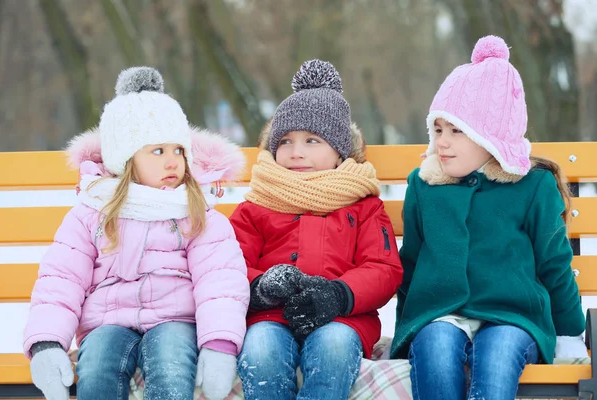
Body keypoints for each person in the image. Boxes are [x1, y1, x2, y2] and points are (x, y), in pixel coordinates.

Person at [23, 67, 249, 400]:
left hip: (176, 321)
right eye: (158, 151)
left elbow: (220, 282)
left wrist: (219, 344)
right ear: (125, 159)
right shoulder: (92, 212)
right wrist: (46, 342)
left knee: (171, 360)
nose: (172, 162)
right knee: (98, 363)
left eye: (178, 150)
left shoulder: (196, 212)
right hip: (107, 322)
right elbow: (61, 279)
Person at [389, 35, 588, 400]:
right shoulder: (426, 185)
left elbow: (554, 264)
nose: (442, 142)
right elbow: (412, 263)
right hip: (440, 316)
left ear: (491, 136)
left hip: (513, 316)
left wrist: (569, 334)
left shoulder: (532, 187)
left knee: (496, 358)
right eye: (438, 130)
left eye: (456, 131)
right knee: (434, 348)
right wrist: (407, 325)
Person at [230, 59, 404, 400]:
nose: (296, 153)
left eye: (312, 141)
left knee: (334, 348)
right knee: (262, 349)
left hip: (342, 318)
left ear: (339, 152)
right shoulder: (257, 204)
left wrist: (339, 294)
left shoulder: (363, 205)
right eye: (285, 142)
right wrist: (260, 286)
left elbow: (383, 268)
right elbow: (228, 263)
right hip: (270, 316)